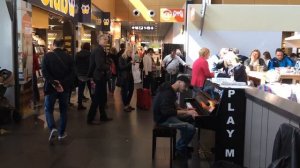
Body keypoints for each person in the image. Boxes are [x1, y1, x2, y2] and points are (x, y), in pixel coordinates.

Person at [153, 75, 198, 159]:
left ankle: (183, 144)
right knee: (191, 128)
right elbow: (166, 112)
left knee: (191, 119)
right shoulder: (168, 93)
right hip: (163, 119)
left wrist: (185, 110)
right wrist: (187, 112)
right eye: (185, 86)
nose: (186, 89)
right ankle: (179, 149)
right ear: (179, 82)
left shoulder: (170, 90)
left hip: (167, 116)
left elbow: (172, 106)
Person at [42, 38, 75, 143]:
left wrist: (54, 82)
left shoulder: (47, 56)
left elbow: (44, 72)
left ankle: (52, 128)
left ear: (53, 44)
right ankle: (61, 133)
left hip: (51, 87)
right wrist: (62, 83)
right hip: (64, 88)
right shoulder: (69, 57)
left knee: (48, 109)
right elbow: (73, 73)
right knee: (63, 110)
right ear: (63, 46)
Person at [87, 34, 112, 125]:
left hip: (99, 77)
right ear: (99, 40)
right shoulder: (98, 50)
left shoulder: (100, 50)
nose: (106, 40)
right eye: (104, 39)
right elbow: (99, 65)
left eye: (107, 39)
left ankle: (103, 116)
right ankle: (90, 118)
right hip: (98, 77)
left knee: (101, 98)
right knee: (97, 98)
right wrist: (108, 66)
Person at [75, 43, 91, 110]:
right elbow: (91, 64)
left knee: (80, 90)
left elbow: (75, 64)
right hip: (88, 74)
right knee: (91, 89)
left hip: (80, 74)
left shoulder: (77, 54)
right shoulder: (90, 54)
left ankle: (80, 104)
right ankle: (94, 104)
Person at [119, 47, 135, 112]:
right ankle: (125, 106)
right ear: (126, 51)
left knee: (131, 90)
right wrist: (130, 63)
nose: (131, 53)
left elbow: (129, 68)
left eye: (131, 52)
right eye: (130, 52)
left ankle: (127, 104)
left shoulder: (130, 58)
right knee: (124, 91)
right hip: (124, 77)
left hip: (130, 76)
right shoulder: (121, 58)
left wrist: (132, 63)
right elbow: (121, 67)